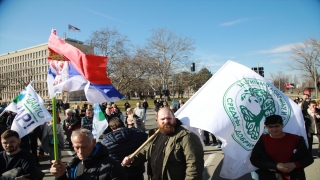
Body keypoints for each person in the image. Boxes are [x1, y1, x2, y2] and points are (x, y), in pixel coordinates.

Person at [122, 107, 204, 180]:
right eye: (162, 119)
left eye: (169, 118)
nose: (166, 121)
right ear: (157, 119)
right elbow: (145, 152)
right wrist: (132, 159)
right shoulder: (154, 135)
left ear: (174, 118)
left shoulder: (187, 137)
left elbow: (194, 166)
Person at [250, 115, 314, 180]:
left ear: (282, 125)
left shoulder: (296, 139)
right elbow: (255, 160)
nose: (274, 129)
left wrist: (294, 164)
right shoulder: (262, 141)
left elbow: (308, 158)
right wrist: (276, 166)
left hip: (295, 176)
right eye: (270, 127)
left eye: (277, 126)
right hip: (270, 176)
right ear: (267, 127)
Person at [50, 128, 127, 180]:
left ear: (93, 142)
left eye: (84, 147)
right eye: (76, 147)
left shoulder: (112, 166)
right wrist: (60, 176)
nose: (80, 151)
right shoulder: (73, 165)